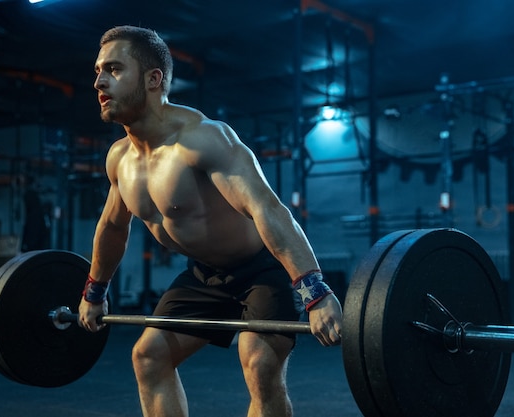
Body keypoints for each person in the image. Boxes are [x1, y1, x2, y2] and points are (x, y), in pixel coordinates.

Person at [78, 26, 343, 417]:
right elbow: (113, 227)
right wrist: (94, 292)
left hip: (261, 270)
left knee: (259, 365)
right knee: (149, 356)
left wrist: (314, 291)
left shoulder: (204, 139)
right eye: (98, 71)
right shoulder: (119, 158)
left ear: (154, 80)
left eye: (114, 69)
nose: (100, 81)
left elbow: (266, 208)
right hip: (204, 274)